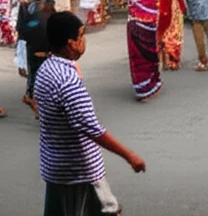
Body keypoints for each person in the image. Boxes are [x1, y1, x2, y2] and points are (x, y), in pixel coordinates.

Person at [35, 12, 146, 215]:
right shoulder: (68, 81)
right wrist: (129, 156)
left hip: (56, 164)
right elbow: (92, 129)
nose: (84, 40)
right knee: (106, 210)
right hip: (79, 170)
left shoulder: (46, 69)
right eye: (81, 35)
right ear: (71, 43)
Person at [18, 0, 56, 115]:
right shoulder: (54, 19)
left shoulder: (37, 17)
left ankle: (31, 96)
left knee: (33, 75)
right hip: (47, 52)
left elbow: (25, 30)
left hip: (35, 50)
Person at [126, 0, 162, 102]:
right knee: (149, 61)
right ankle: (149, 85)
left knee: (137, 61)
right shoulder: (152, 5)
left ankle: (141, 87)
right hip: (149, 30)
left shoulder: (132, 16)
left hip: (135, 31)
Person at [156, 0, 187, 71]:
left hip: (162, 18)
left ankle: (164, 61)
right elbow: (181, 4)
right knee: (174, 40)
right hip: (174, 20)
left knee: (162, 39)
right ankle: (172, 61)